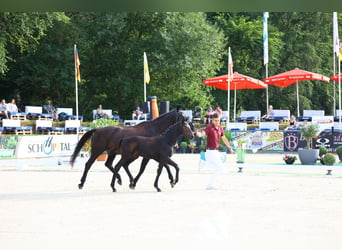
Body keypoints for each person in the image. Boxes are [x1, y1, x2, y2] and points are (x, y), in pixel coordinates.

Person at [195, 113, 235, 190]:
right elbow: (201, 134)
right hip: (210, 152)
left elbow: (224, 139)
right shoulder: (209, 128)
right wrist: (197, 132)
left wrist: (230, 148)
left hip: (216, 152)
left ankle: (204, 163)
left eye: (218, 120)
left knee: (219, 168)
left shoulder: (220, 128)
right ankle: (210, 185)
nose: (217, 122)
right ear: (212, 120)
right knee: (221, 169)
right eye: (216, 120)